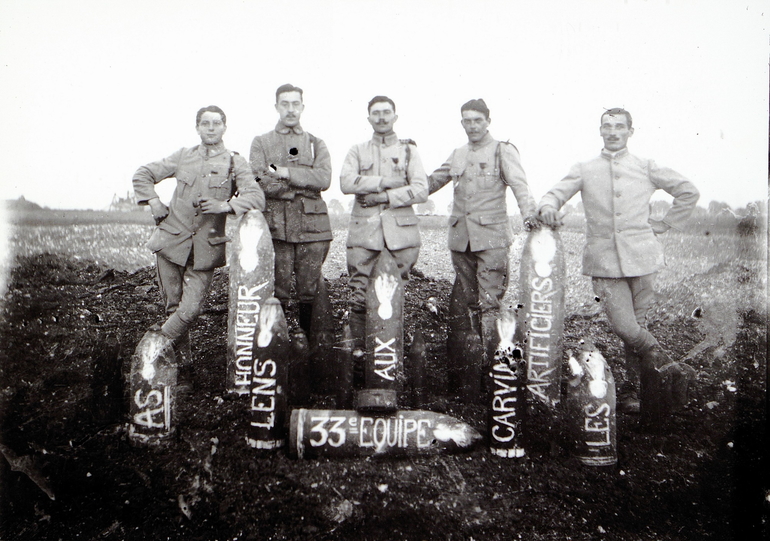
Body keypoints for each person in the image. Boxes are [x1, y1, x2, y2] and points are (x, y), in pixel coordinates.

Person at [537, 107, 699, 416]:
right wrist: (547, 207)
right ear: (600, 131)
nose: (613, 132)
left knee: (639, 327)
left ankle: (634, 389)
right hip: (605, 264)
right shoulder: (584, 169)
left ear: (630, 131)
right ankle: (674, 370)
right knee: (627, 329)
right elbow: (553, 195)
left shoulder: (646, 166)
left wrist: (666, 223)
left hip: (644, 259)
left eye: (619, 127)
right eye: (607, 126)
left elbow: (688, 191)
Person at [133, 105, 265, 384]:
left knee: (190, 309)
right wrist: (154, 202)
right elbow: (143, 173)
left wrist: (223, 205)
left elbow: (256, 197)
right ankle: (184, 370)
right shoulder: (183, 156)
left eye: (217, 123)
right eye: (205, 123)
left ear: (225, 127)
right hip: (170, 243)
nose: (211, 128)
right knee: (173, 308)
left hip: (205, 250)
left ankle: (153, 348)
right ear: (197, 127)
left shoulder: (234, 162)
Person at [428, 98, 539, 366]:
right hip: (461, 241)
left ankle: (492, 365)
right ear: (462, 123)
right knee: (469, 302)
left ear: (488, 121)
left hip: (492, 240)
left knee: (490, 303)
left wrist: (530, 215)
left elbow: (520, 186)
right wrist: (397, 189)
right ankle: (474, 363)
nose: (472, 126)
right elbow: (431, 182)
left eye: (478, 120)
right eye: (467, 120)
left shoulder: (502, 151)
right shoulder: (457, 154)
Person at [340, 95, 429, 360]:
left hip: (401, 236)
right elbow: (346, 182)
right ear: (369, 118)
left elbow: (421, 189)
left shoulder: (409, 151)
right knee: (358, 295)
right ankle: (358, 358)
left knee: (394, 296)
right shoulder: (357, 150)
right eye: (376, 113)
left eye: (386, 112)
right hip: (364, 235)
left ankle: (390, 358)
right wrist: (386, 181)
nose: (381, 117)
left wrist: (384, 197)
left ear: (395, 116)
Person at [249, 84, 333, 339]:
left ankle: (307, 340)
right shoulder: (262, 143)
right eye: (284, 104)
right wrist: (297, 187)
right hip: (277, 226)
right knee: (279, 287)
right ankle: (279, 341)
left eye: (295, 104)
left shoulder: (316, 144)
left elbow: (324, 178)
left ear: (302, 107)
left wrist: (286, 174)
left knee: (309, 288)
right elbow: (259, 180)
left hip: (311, 228)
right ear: (276, 107)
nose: (290, 109)